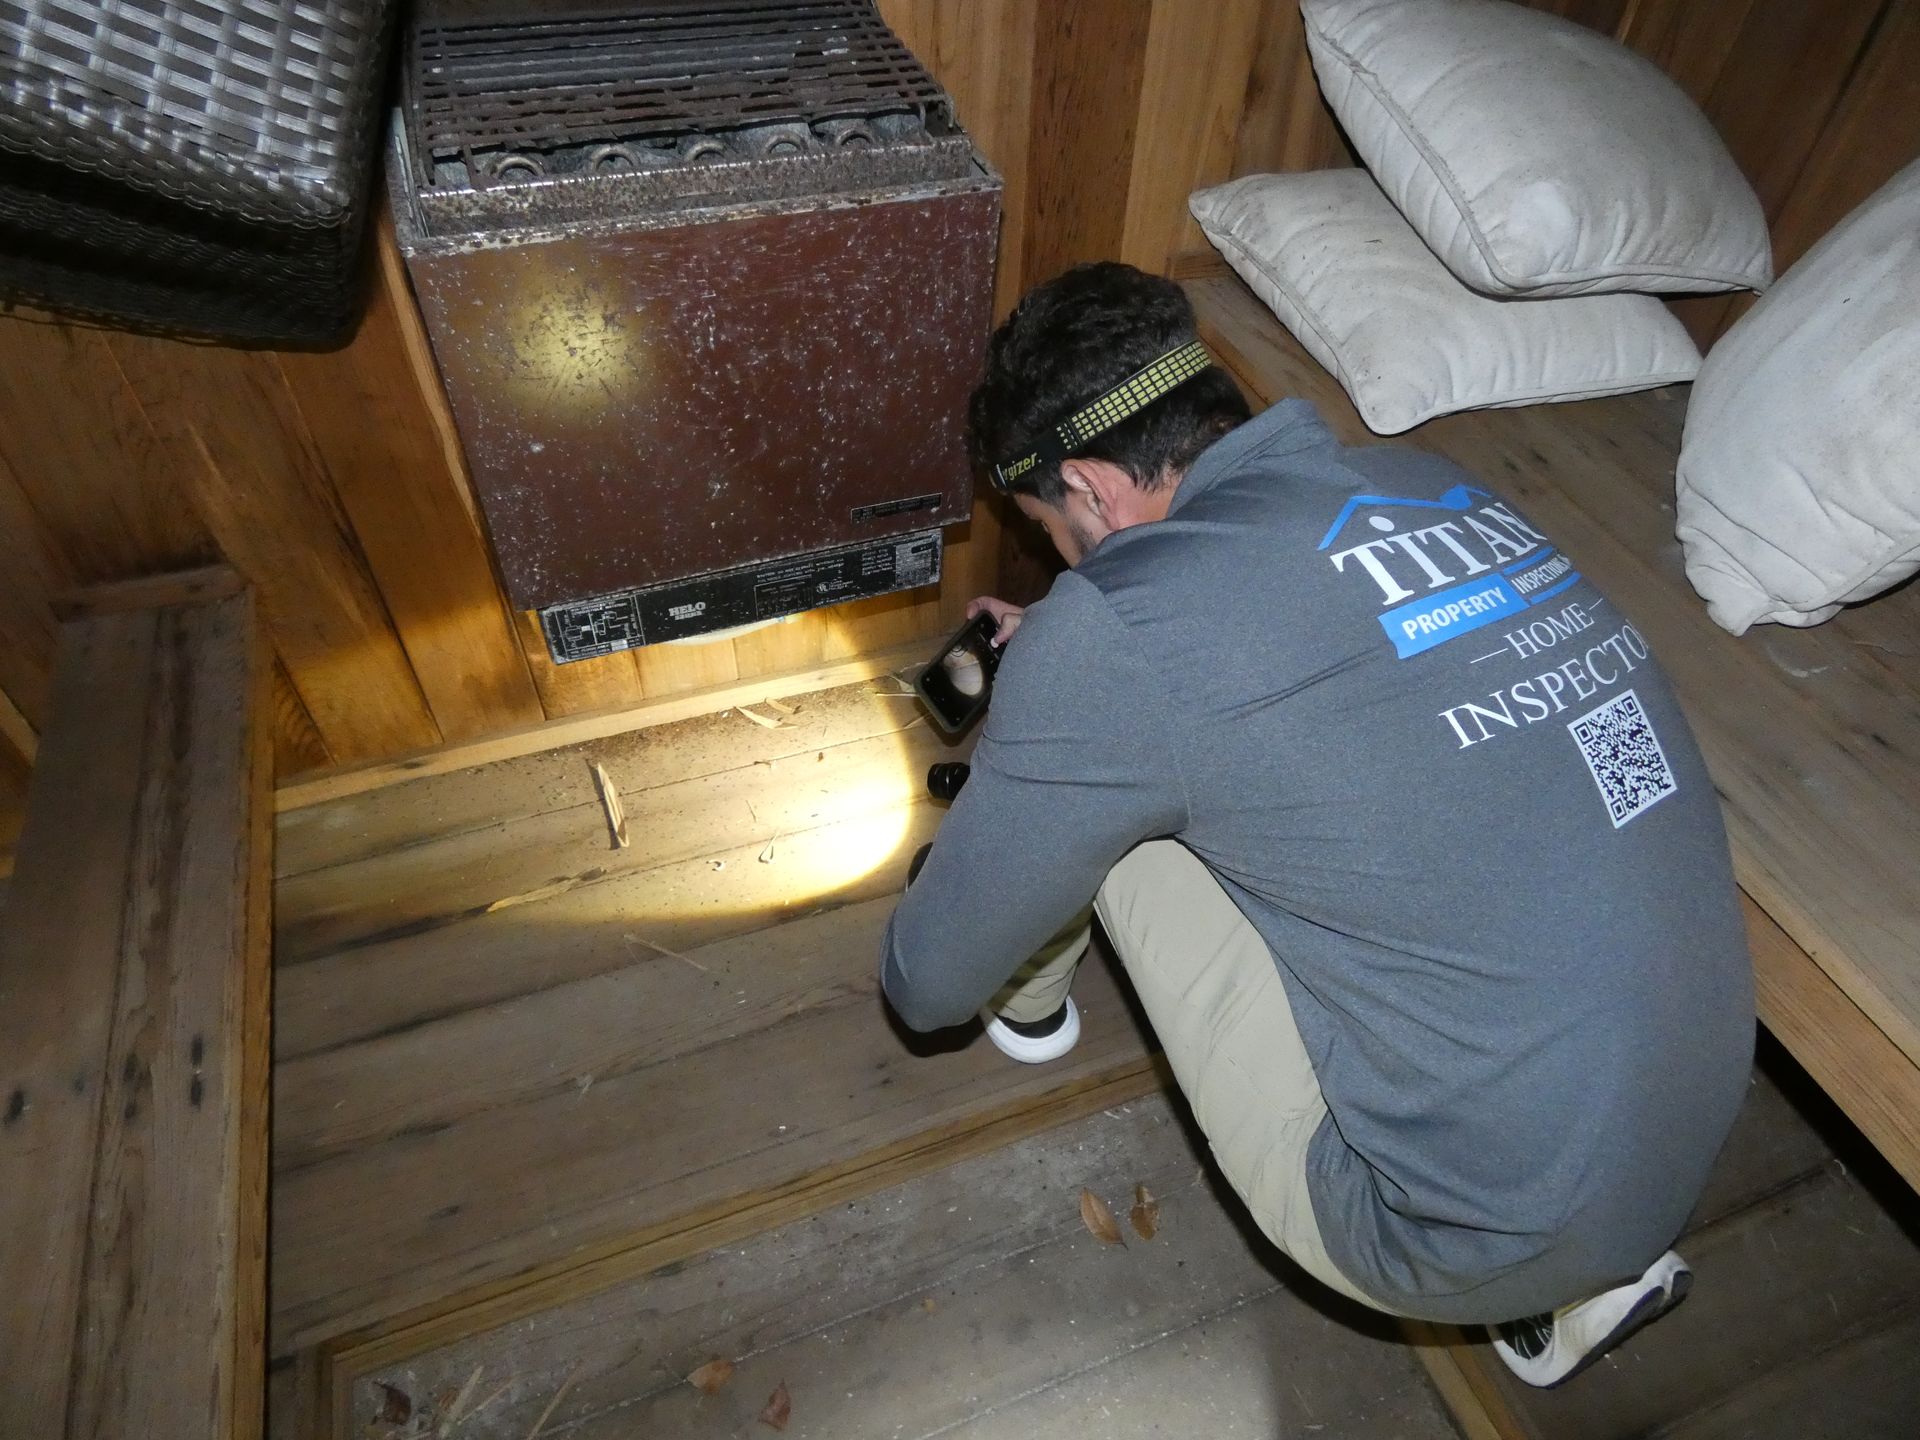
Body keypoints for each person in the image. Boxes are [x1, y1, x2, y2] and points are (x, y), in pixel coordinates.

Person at [877, 261, 1754, 1387]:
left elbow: (926, 988)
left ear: (1089, 486)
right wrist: (1087, 650)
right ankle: (1583, 1270)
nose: (1055, 554)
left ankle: (1034, 1011)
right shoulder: (1431, 483)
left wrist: (1052, 702)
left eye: (1048, 527)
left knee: (1110, 811)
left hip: (1456, 1225)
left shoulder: (1118, 647)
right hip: (1683, 1120)